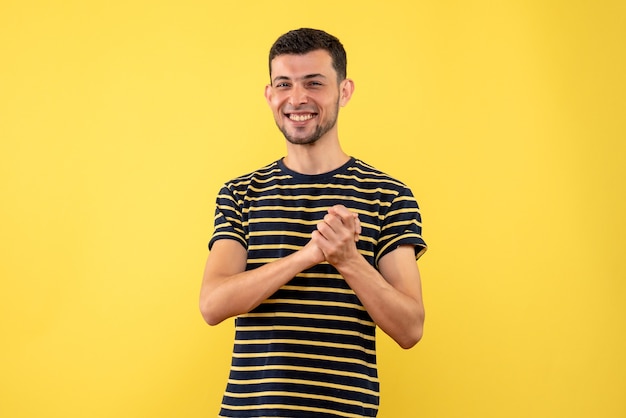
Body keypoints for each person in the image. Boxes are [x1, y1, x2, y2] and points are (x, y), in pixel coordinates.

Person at [200, 28, 427, 418]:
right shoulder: (241, 194)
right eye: (284, 84)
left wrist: (349, 260)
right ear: (269, 95)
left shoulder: (388, 195)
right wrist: (306, 256)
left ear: (344, 91)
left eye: (314, 83)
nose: (297, 98)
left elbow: (410, 329)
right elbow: (213, 304)